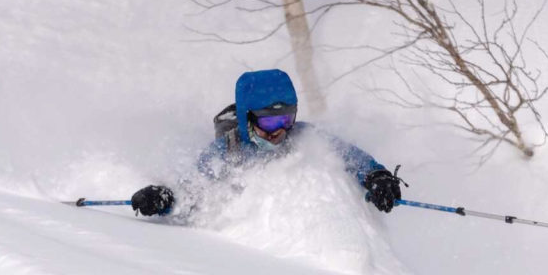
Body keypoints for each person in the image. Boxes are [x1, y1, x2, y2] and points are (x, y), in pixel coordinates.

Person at [131, 69, 402, 217]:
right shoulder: (228, 150)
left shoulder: (304, 136)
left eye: (286, 119)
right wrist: (164, 198)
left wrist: (376, 176)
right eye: (270, 123)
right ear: (247, 119)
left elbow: (348, 156)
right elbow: (191, 192)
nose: (280, 131)